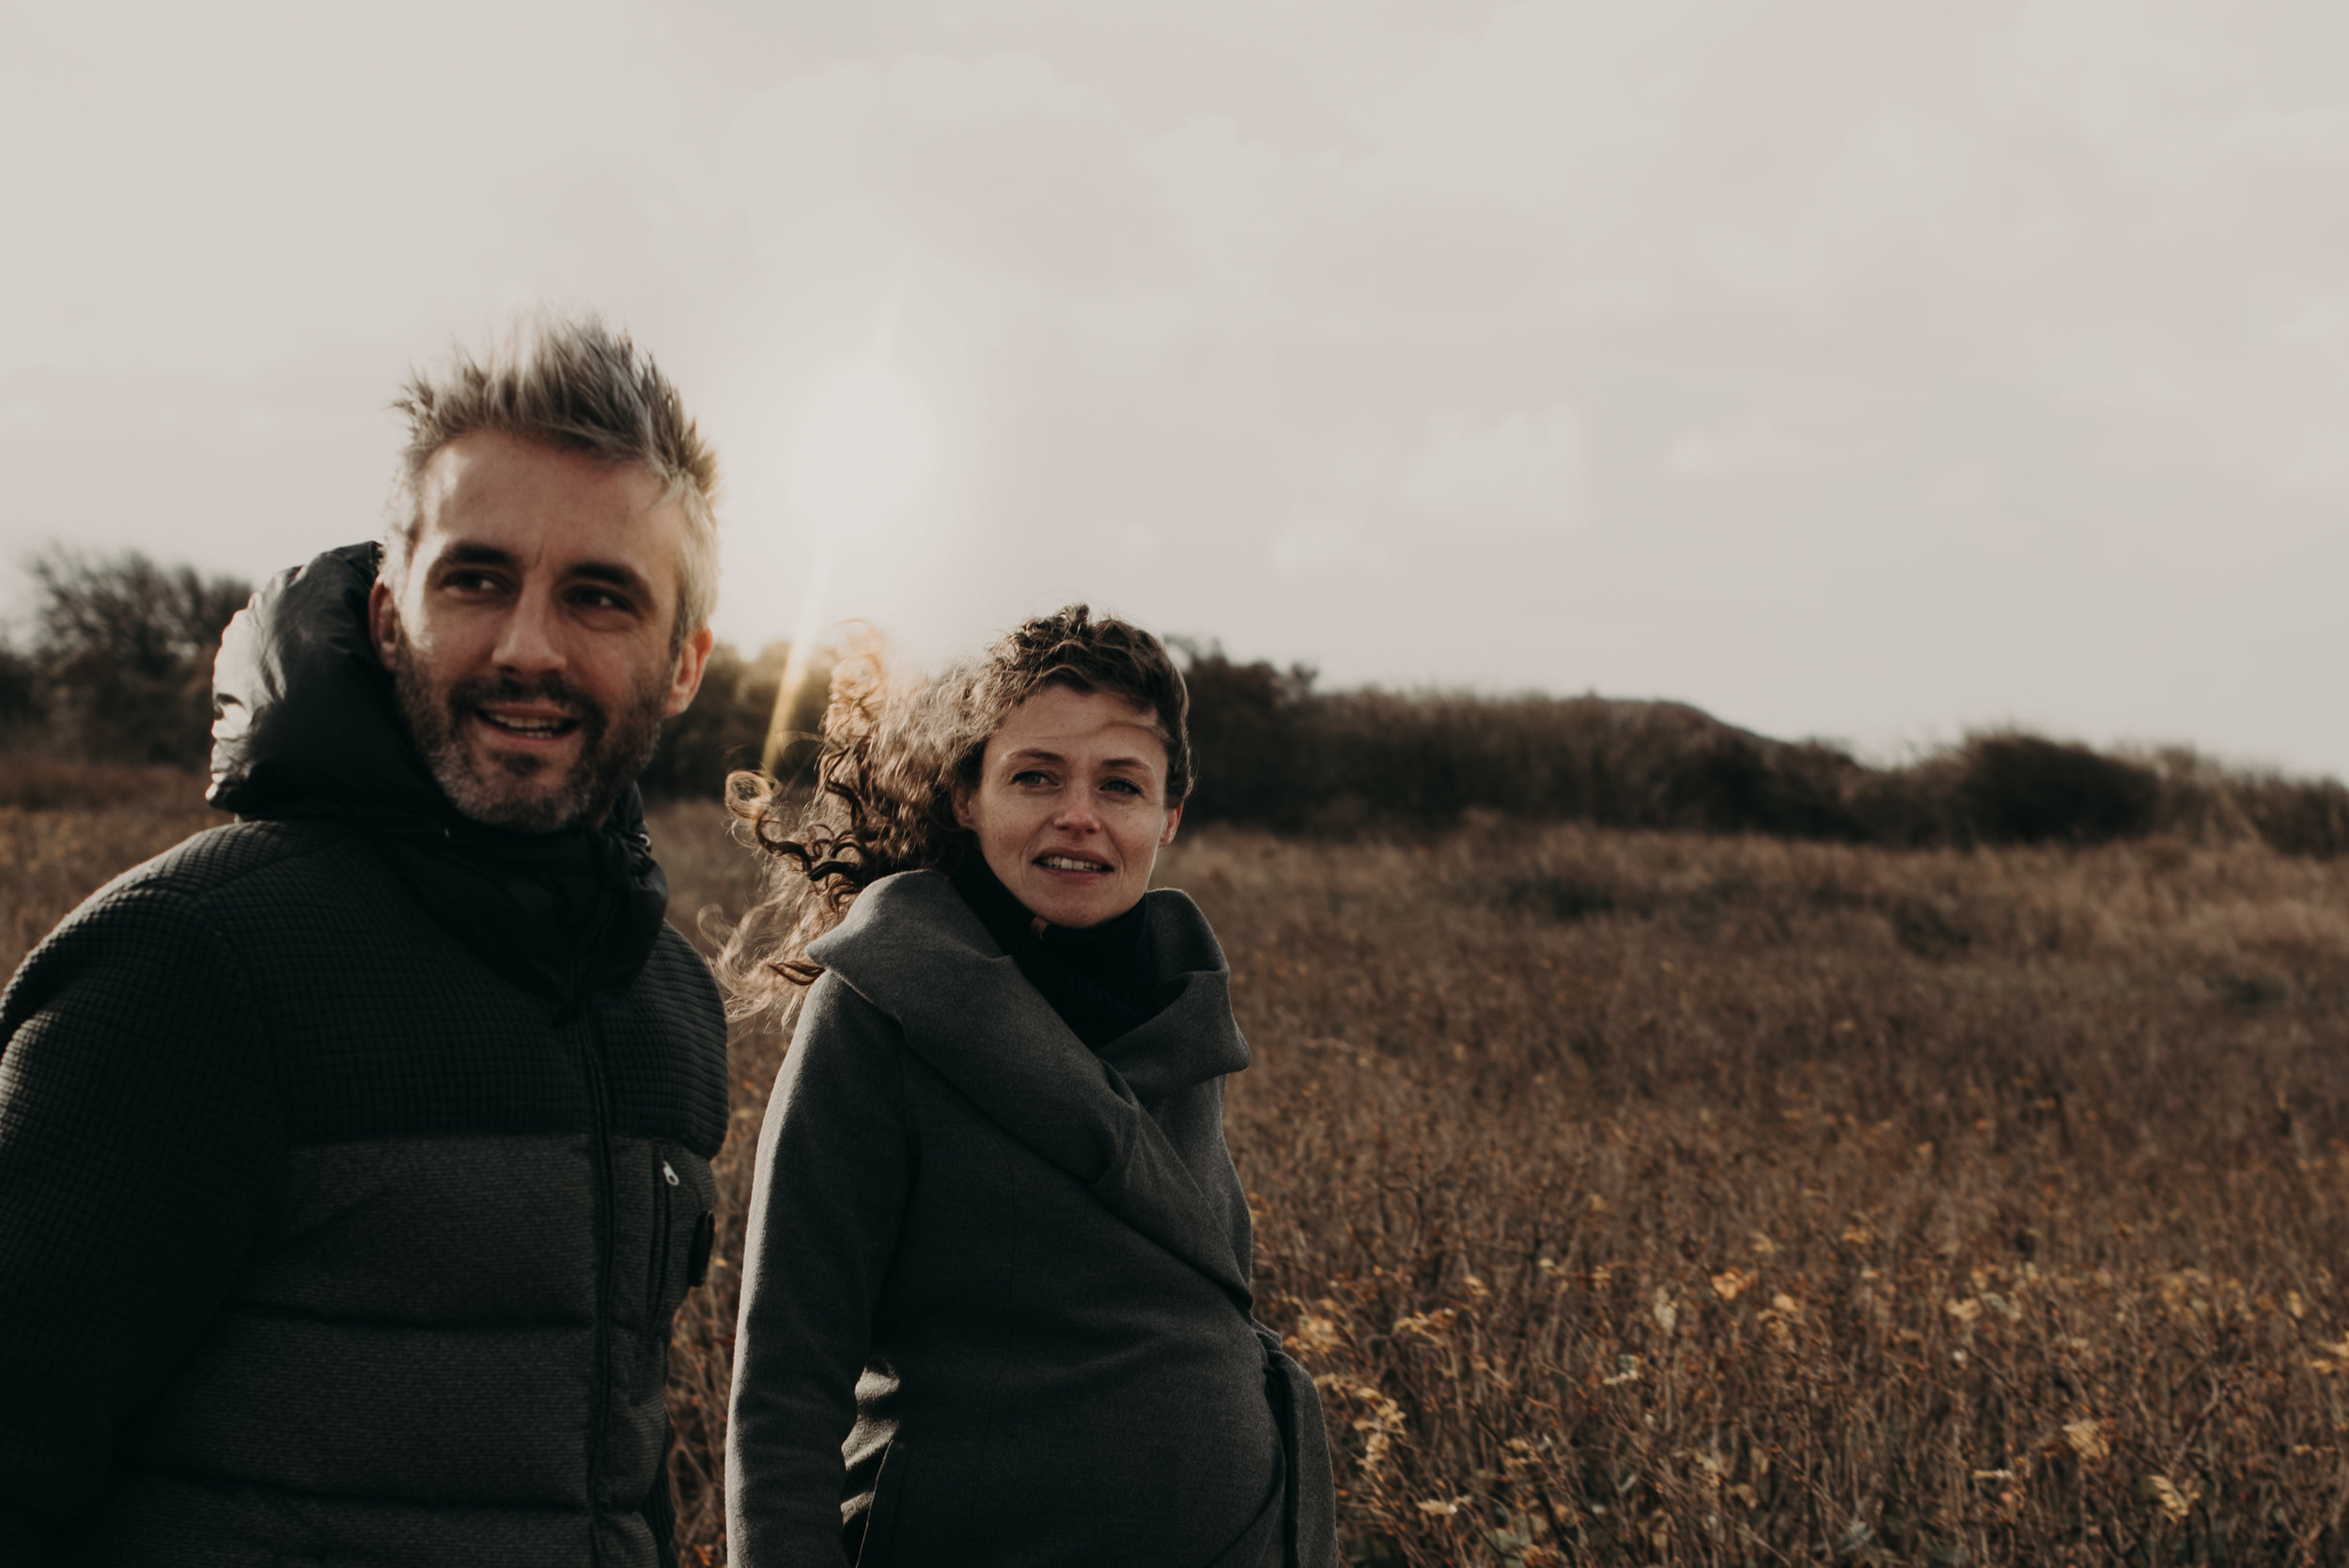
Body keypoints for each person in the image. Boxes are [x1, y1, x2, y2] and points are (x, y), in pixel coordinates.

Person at [0, 315, 732, 1567]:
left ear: (683, 664)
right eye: (476, 579)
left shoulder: (666, 1008)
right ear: (391, 617)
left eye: (600, 596)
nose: (526, 648)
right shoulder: (193, 963)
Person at [722, 608, 1336, 1568]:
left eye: (1120, 785)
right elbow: (784, 1394)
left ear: (1168, 816)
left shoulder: (1176, 1012)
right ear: (968, 795)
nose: (1078, 815)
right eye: (1035, 776)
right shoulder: (882, 1006)